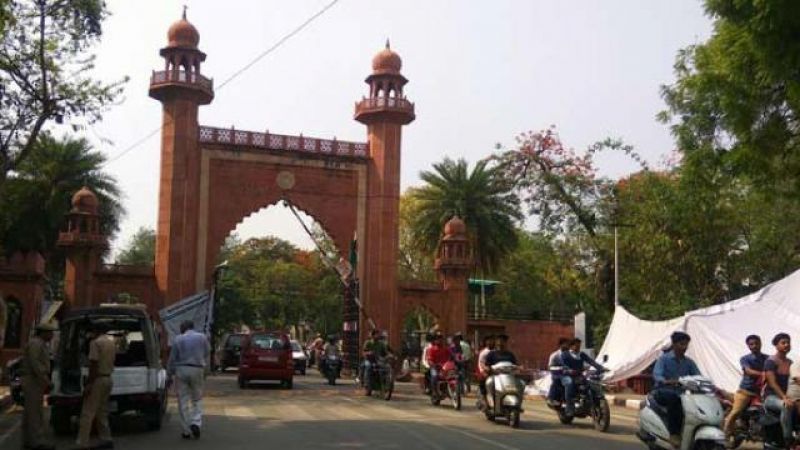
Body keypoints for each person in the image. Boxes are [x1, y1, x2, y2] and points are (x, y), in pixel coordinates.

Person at [652, 331, 702, 446]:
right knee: (675, 399)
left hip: (682, 394)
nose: (684, 347)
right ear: (674, 344)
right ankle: (674, 434)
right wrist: (667, 381)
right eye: (681, 344)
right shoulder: (663, 359)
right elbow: (657, 375)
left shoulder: (689, 362)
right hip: (662, 391)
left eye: (686, 344)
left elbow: (698, 376)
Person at [75, 321, 116, 450]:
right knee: (102, 411)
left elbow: (93, 364)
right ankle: (106, 438)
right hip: (108, 378)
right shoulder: (111, 342)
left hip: (97, 379)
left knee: (88, 412)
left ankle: (82, 442)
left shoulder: (95, 343)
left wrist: (89, 383)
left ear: (96, 331)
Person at [168, 320, 211, 440]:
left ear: (184, 328)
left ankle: (186, 430)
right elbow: (207, 352)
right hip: (197, 369)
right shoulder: (202, 337)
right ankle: (196, 423)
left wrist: (169, 374)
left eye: (181, 327)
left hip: (181, 369)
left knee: (182, 400)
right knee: (197, 398)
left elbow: (172, 359)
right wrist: (206, 370)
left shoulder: (178, 339)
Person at [723, 334, 768, 443]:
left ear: (761, 343)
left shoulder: (767, 358)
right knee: (735, 411)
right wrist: (764, 374)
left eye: (757, 343)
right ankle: (725, 435)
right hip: (745, 391)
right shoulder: (745, 359)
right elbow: (748, 371)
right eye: (751, 344)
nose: (754, 346)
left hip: (761, 393)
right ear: (748, 346)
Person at [21, 322, 57, 450]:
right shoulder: (36, 344)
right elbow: (36, 364)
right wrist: (46, 380)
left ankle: (29, 440)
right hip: (33, 380)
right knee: (35, 412)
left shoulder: (39, 343)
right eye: (50, 332)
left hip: (34, 379)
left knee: (31, 412)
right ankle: (37, 442)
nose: (52, 335)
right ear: (43, 333)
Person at [560, 338, 606, 416]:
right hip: (567, 376)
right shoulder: (565, 355)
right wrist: (569, 370)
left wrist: (601, 368)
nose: (578, 348)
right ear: (571, 346)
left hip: (579, 375)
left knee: (589, 384)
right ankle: (570, 409)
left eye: (579, 346)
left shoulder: (581, 354)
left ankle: (590, 402)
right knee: (570, 386)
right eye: (576, 346)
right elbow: (563, 365)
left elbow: (591, 361)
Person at [763, 332, 794, 446]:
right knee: (786, 406)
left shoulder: (790, 363)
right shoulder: (770, 361)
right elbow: (772, 383)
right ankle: (788, 439)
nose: (786, 345)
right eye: (783, 343)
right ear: (776, 345)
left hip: (786, 396)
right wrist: (784, 397)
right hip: (771, 397)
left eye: (788, 343)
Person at [547, 337, 571, 407]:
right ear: (561, 345)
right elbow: (549, 367)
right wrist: (560, 368)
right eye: (566, 344)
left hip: (571, 373)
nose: (568, 346)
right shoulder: (554, 355)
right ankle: (551, 398)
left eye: (568, 344)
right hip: (558, 374)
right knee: (557, 380)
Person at [476, 334, 496, 408]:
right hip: (486, 372)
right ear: (486, 342)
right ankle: (485, 399)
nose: (491, 342)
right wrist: (483, 372)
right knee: (483, 381)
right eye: (489, 340)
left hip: (495, 372)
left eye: (492, 340)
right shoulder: (483, 352)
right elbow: (480, 363)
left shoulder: (496, 351)